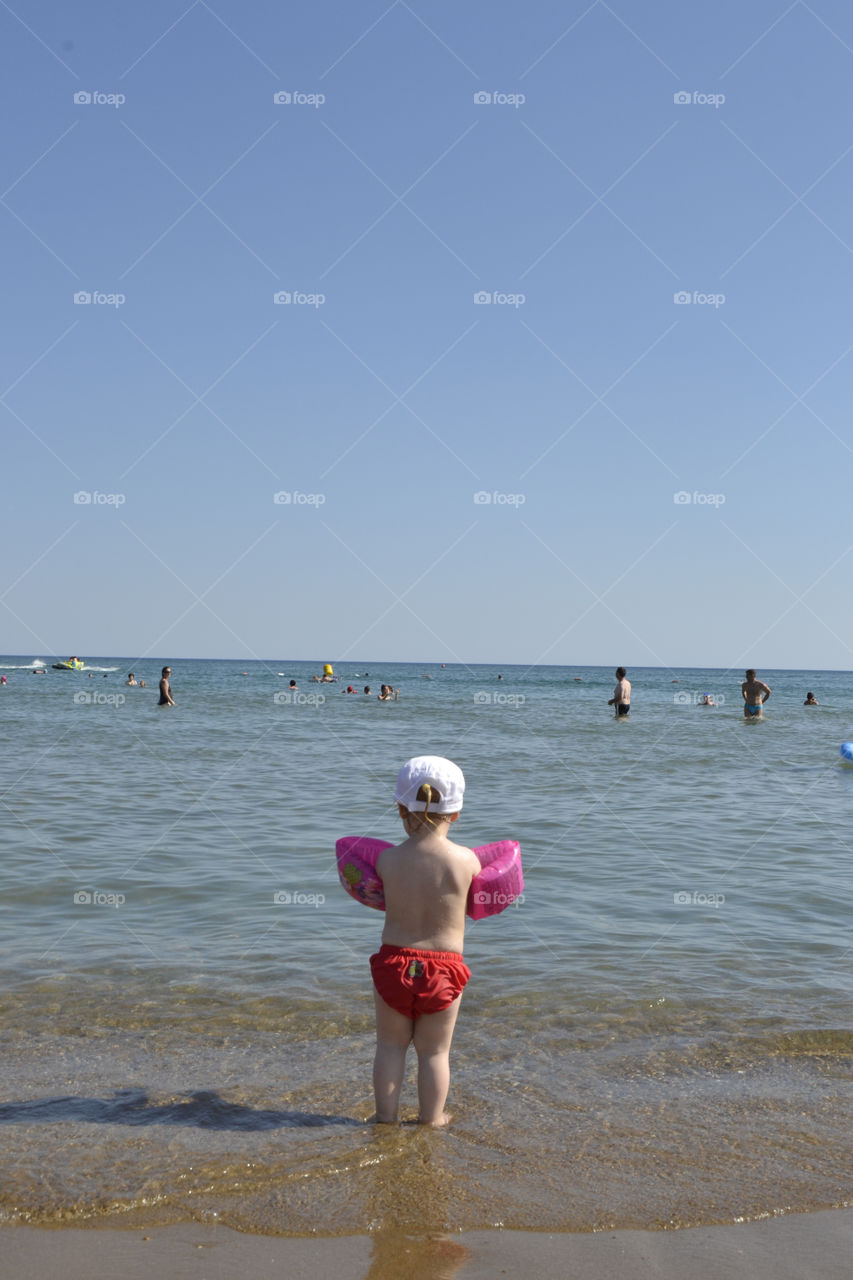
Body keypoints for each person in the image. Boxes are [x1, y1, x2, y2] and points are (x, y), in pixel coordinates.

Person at [370, 756, 480, 1127]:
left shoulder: (386, 859)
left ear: (400, 808)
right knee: (435, 1052)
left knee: (390, 1045)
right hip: (445, 969)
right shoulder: (466, 861)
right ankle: (432, 1119)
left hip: (394, 963)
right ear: (457, 813)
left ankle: (385, 1117)